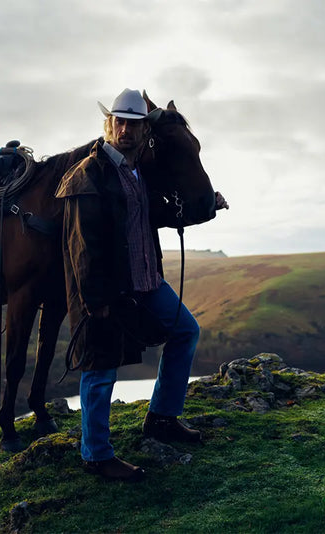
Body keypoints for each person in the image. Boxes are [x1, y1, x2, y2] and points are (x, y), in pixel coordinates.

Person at [55, 88, 228, 481]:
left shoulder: (137, 173)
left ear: (143, 130)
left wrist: (207, 206)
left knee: (186, 331)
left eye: (133, 123)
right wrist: (96, 302)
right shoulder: (88, 176)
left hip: (147, 281)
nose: (125, 129)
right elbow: (82, 247)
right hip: (108, 291)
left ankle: (162, 417)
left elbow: (157, 214)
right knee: (101, 368)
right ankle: (96, 454)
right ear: (109, 124)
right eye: (119, 121)